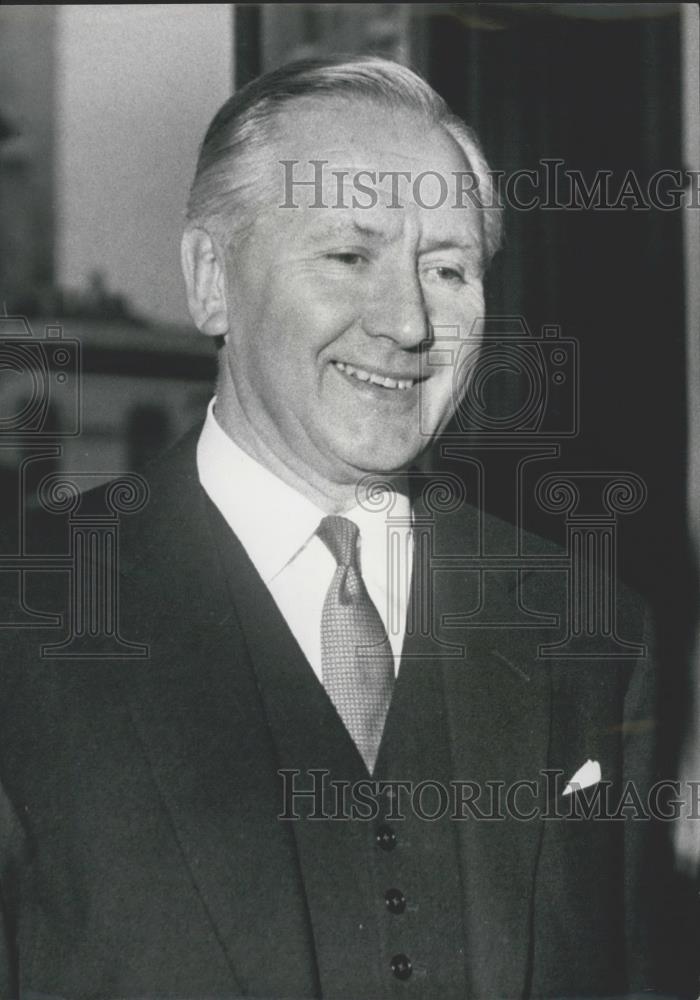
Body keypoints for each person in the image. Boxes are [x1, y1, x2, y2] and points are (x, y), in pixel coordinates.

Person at [0, 57, 674, 999]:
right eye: (348, 256)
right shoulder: (28, 624)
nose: (406, 323)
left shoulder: (589, 627)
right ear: (211, 279)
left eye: (446, 268)